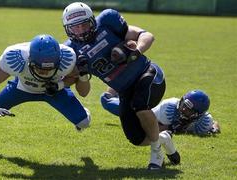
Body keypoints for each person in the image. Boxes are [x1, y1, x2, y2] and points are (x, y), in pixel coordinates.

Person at [62, 2, 171, 169]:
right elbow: (83, 93)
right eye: (75, 28)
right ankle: (163, 138)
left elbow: (146, 35)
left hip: (147, 73)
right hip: (124, 90)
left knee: (140, 106)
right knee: (137, 138)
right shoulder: (71, 51)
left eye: (84, 25)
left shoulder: (107, 22)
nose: (81, 31)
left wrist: (137, 51)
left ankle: (156, 153)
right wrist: (82, 74)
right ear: (68, 29)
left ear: (92, 21)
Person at [0, 34, 91, 144]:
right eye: (40, 68)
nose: (44, 72)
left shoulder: (67, 58)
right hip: (22, 88)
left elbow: (74, 78)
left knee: (84, 122)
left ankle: (81, 113)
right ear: (30, 59)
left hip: (52, 91)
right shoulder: (15, 57)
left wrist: (58, 86)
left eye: (49, 68)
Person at [101, 88, 221, 135]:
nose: (183, 109)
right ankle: (115, 90)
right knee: (105, 100)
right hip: (143, 113)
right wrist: (172, 128)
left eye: (189, 110)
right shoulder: (169, 107)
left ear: (197, 115)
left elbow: (214, 123)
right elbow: (153, 128)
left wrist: (213, 129)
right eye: (184, 105)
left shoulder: (203, 121)